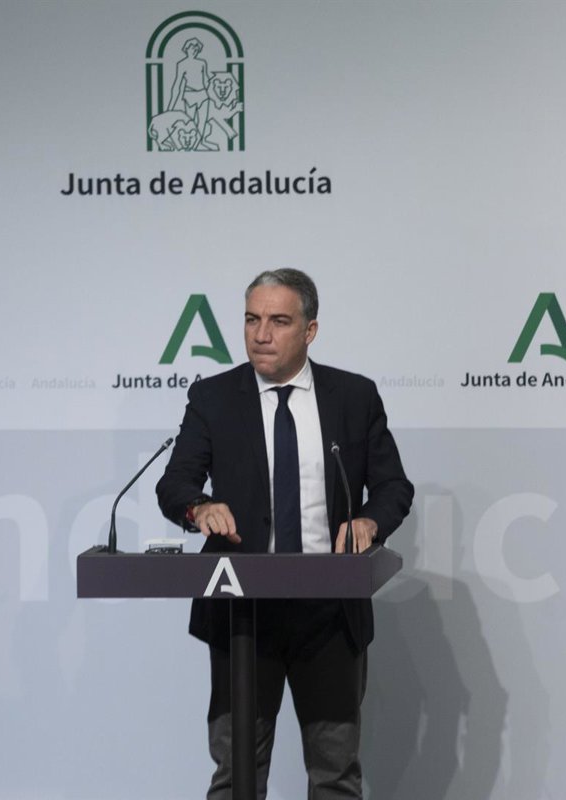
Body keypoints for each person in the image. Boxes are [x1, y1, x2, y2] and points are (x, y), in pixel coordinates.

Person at [156, 268, 414, 799]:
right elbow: (175, 483)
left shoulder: (354, 396)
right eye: (251, 319)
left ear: (310, 330)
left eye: (278, 321)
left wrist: (369, 521)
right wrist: (200, 507)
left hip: (330, 613)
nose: (261, 334)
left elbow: (393, 487)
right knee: (236, 777)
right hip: (242, 615)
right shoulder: (214, 398)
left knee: (335, 776)